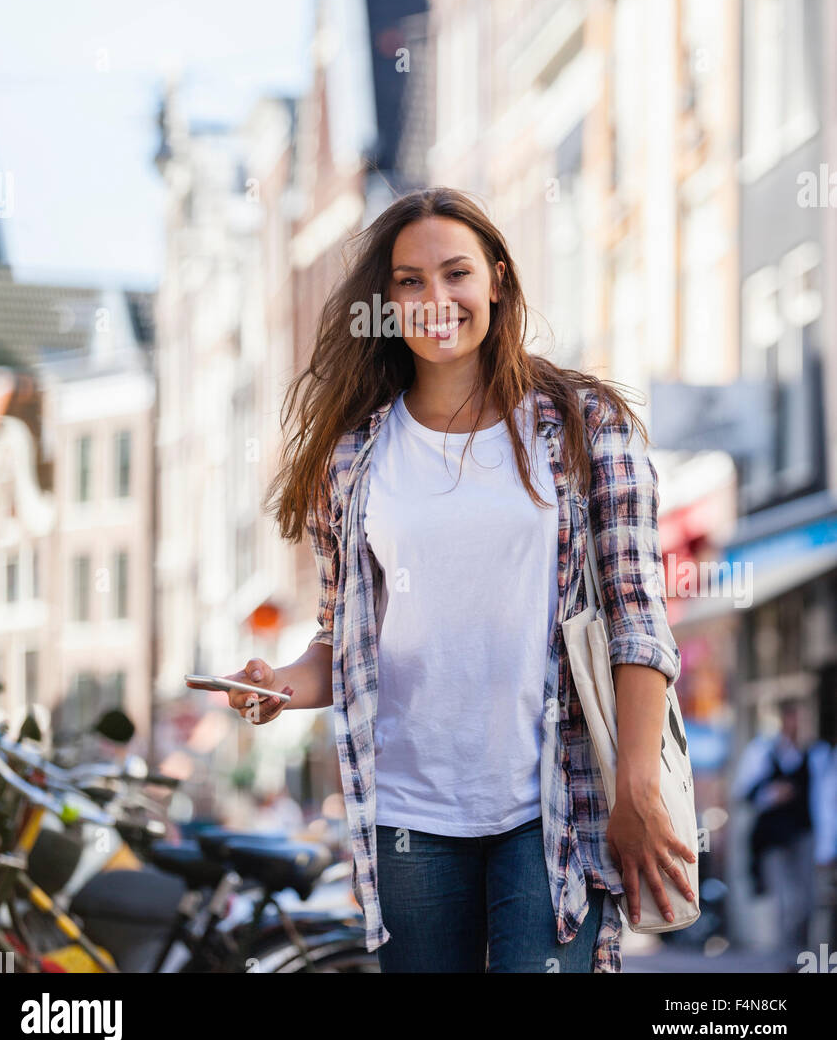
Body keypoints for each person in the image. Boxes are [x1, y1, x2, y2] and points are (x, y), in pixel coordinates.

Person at [225, 187, 695, 973]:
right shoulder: (354, 459)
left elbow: (636, 617)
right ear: (385, 302)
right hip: (410, 818)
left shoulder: (582, 426)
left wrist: (637, 788)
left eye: (456, 274)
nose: (435, 300)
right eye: (409, 282)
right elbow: (341, 643)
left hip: (555, 804)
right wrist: (278, 683)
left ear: (497, 281)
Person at [734, 699, 830, 967]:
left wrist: (826, 846)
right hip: (774, 839)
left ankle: (803, 957)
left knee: (808, 902)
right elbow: (743, 792)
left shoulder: (818, 754)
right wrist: (771, 795)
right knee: (786, 902)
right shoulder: (763, 751)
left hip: (804, 837)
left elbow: (824, 803)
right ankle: (788, 962)